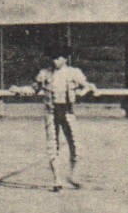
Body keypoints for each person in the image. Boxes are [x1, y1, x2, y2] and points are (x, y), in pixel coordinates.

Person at [9, 45, 97, 191]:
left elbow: (88, 86)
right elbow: (33, 89)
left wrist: (84, 92)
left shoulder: (74, 73)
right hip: (51, 112)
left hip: (68, 112)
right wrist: (19, 90)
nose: (55, 61)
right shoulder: (45, 74)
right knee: (52, 146)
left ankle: (73, 176)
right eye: (53, 58)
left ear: (65, 58)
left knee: (76, 145)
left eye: (58, 57)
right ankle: (57, 180)